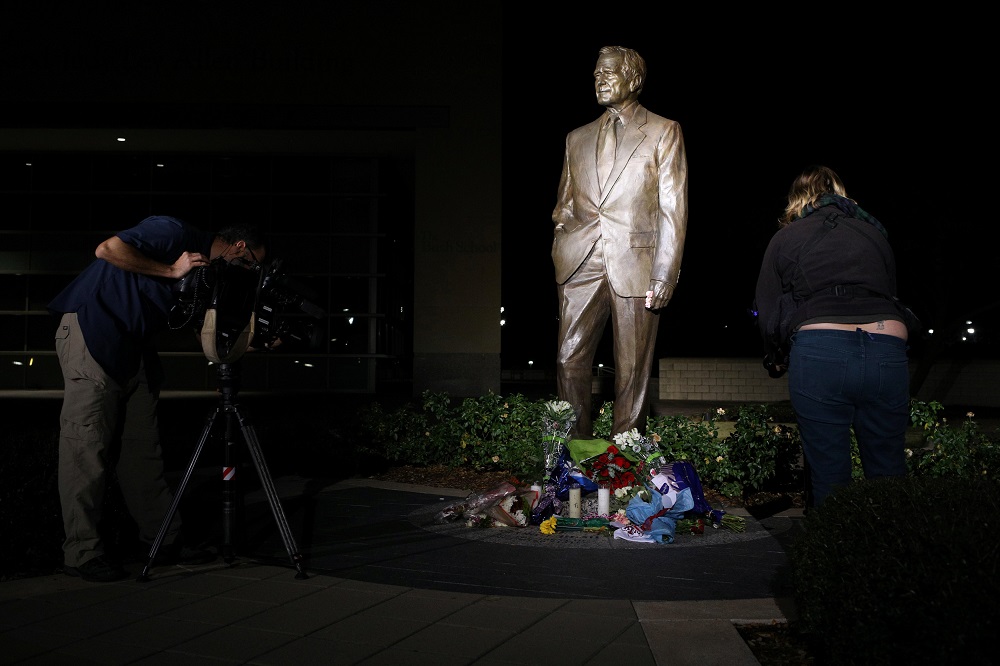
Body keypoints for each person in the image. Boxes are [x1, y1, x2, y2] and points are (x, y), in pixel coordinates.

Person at [48, 215, 266, 582]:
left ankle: (163, 541)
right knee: (87, 447)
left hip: (135, 346)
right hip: (93, 330)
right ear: (239, 248)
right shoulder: (174, 232)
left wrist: (249, 343)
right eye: (250, 263)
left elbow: (203, 331)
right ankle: (81, 553)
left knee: (142, 450)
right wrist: (170, 269)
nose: (247, 272)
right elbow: (108, 249)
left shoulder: (208, 274)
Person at [754, 165, 913, 508]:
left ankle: (833, 558)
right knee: (888, 470)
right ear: (842, 193)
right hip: (887, 348)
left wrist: (775, 358)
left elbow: (767, 308)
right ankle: (893, 555)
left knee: (829, 473)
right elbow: (891, 292)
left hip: (821, 350)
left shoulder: (786, 237)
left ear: (796, 199)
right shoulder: (874, 234)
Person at [551, 45, 688, 438]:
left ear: (634, 79)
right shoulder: (575, 137)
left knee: (631, 369)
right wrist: (562, 240)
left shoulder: (664, 131)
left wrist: (665, 272)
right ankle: (572, 457)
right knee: (567, 359)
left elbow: (672, 209)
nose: (600, 79)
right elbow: (563, 205)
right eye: (596, 74)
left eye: (609, 73)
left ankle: (625, 460)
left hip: (637, 265)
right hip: (580, 262)